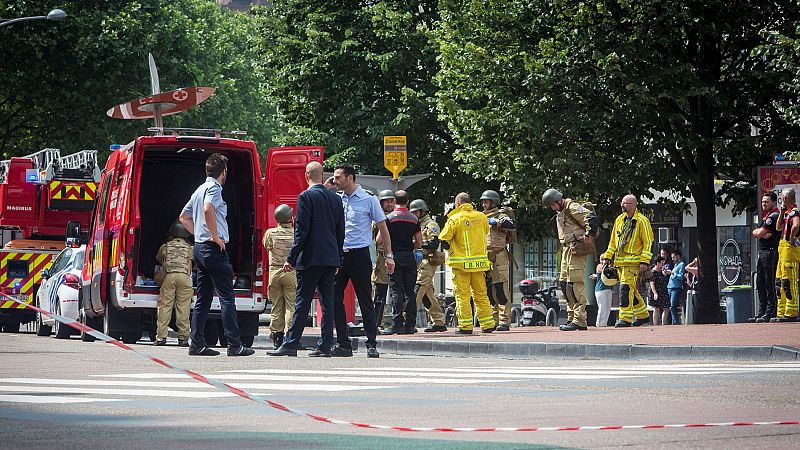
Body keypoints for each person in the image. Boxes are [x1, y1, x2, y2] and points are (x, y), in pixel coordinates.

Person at [179, 153, 255, 356]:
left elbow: (184, 217)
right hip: (213, 249)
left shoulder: (198, 190)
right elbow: (207, 209)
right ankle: (234, 344)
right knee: (227, 298)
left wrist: (201, 235)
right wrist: (214, 236)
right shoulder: (214, 188)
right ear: (224, 172)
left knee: (203, 298)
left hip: (200, 249)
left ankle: (196, 343)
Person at [268, 161, 344, 357]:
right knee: (327, 303)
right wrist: (338, 258)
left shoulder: (305, 197)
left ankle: (291, 343)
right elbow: (340, 231)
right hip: (330, 257)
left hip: (310, 257)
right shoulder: (336, 199)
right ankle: (325, 345)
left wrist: (291, 258)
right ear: (321, 175)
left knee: (302, 301)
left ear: (306, 175)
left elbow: (301, 232)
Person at [331, 164, 392, 358]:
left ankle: (371, 343)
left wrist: (389, 256)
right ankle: (343, 343)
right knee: (334, 298)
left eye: (338, 177)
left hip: (359, 255)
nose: (335, 181)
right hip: (339, 255)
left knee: (365, 300)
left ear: (350, 178)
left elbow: (383, 228)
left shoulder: (369, 199)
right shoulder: (336, 199)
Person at [542, 188, 598, 331]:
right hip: (567, 248)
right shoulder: (561, 211)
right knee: (564, 284)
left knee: (575, 284)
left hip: (576, 248)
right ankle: (571, 317)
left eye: (553, 205)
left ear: (558, 200)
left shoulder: (572, 207)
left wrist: (589, 234)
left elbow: (591, 218)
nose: (552, 208)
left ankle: (580, 319)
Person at [439, 192, 495, 334]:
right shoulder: (482, 217)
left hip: (461, 265)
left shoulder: (454, 219)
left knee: (462, 295)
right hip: (479, 265)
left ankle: (465, 326)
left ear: (458, 203)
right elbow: (485, 231)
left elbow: (444, 240)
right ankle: (488, 324)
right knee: (481, 294)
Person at [601, 194, 654, 328]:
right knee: (631, 291)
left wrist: (644, 261)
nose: (622, 205)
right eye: (622, 203)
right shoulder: (619, 220)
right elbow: (613, 241)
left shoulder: (642, 221)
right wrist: (608, 256)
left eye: (626, 203)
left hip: (633, 263)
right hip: (619, 262)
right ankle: (643, 316)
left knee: (625, 289)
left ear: (634, 205)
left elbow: (648, 242)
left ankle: (625, 318)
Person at [380, 190, 422, 334]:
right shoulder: (414, 219)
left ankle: (397, 324)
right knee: (410, 291)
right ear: (408, 201)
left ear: (395, 201)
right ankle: (410, 325)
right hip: (409, 257)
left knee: (396, 290)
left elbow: (379, 239)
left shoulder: (389, 218)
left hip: (394, 257)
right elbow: (419, 241)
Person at [481, 190, 517, 331]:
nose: (484, 204)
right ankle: (493, 319)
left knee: (501, 289)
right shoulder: (481, 217)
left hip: (499, 255)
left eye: (486, 201)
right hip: (485, 256)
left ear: (494, 202)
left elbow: (512, 224)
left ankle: (504, 320)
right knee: (489, 290)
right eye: (483, 201)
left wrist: (496, 222)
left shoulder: (500, 215)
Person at [409, 199, 447, 332]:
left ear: (422, 211)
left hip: (427, 261)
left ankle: (408, 321)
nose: (413, 214)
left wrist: (417, 243)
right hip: (417, 261)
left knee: (417, 291)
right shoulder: (414, 224)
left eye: (415, 212)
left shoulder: (431, 225)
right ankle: (439, 321)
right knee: (427, 295)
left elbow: (434, 244)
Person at [153, 220, 193, 346]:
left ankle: (161, 337)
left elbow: (159, 258)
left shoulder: (166, 247)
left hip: (169, 277)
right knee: (183, 308)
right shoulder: (190, 248)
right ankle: (183, 338)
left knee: (165, 307)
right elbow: (195, 262)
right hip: (185, 278)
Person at [263, 204, 296, 349]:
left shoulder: (271, 233)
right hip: (290, 272)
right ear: (290, 218)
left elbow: (266, 245)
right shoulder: (296, 233)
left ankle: (277, 338)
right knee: (291, 306)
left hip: (274, 272)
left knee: (276, 306)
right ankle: (289, 336)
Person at [750, 192, 780, 323]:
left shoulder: (773, 216)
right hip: (763, 252)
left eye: (766, 202)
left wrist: (759, 233)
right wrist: (759, 233)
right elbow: (756, 232)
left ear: (774, 202)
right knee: (760, 283)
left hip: (770, 252)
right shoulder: (766, 216)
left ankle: (770, 311)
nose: (763, 204)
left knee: (769, 282)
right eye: (762, 202)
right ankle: (761, 312)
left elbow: (759, 232)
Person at [774, 188, 800, 322]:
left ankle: (791, 313)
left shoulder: (795, 212)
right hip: (783, 252)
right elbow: (778, 228)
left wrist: (791, 239)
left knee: (789, 282)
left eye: (782, 197)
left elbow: (796, 225)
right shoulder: (787, 213)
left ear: (785, 198)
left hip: (790, 252)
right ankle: (782, 311)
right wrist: (782, 212)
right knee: (780, 282)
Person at [373, 190, 396, 332]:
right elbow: (373, 240)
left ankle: (398, 321)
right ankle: (377, 322)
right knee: (380, 292)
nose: (390, 203)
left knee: (398, 291)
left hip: (396, 255)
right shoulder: (376, 219)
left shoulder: (397, 217)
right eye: (387, 201)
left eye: (392, 201)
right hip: (381, 258)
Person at [664, 250, 685, 325]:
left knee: (673, 305)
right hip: (670, 287)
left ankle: (676, 322)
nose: (672, 259)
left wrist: (672, 273)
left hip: (676, 288)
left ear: (678, 256)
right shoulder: (675, 265)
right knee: (670, 306)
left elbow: (681, 277)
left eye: (673, 257)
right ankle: (673, 321)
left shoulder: (681, 264)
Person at [648, 257, 670, 325]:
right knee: (656, 308)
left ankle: (663, 324)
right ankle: (655, 324)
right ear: (657, 263)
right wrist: (655, 293)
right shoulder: (652, 272)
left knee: (666, 308)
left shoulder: (661, 271)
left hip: (663, 291)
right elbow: (652, 283)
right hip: (656, 292)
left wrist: (665, 274)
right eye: (662, 263)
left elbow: (662, 279)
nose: (663, 264)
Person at [590, 261, 614, 327]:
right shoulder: (599, 266)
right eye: (603, 259)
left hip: (609, 289)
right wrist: (606, 264)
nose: (605, 261)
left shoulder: (611, 266)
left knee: (608, 307)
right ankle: (599, 324)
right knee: (602, 307)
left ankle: (604, 323)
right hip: (600, 289)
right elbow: (604, 271)